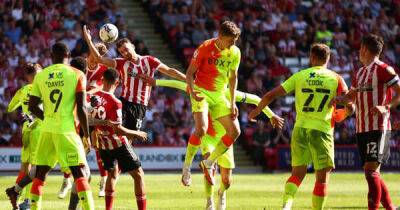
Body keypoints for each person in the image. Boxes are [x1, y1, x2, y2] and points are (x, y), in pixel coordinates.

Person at [248, 43, 353, 210]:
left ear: (311, 58)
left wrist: (257, 111)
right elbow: (350, 104)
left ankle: (287, 205)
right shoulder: (336, 78)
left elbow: (270, 95)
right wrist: (343, 113)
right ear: (328, 58)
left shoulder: (300, 75)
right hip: (322, 130)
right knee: (322, 178)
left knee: (297, 174)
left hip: (300, 129)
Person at [153, 79, 284, 210]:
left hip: (225, 140)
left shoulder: (226, 93)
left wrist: (271, 115)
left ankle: (222, 193)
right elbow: (177, 83)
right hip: (208, 138)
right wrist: (155, 82)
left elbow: (255, 99)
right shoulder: (198, 91)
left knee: (227, 182)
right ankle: (209, 202)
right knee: (209, 168)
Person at [332, 34, 399, 210]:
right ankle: (391, 208)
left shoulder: (385, 69)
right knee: (372, 172)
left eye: (360, 48)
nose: (358, 52)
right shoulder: (359, 73)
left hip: (379, 127)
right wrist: (335, 99)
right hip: (361, 128)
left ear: (364, 49)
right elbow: (350, 98)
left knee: (370, 171)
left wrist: (387, 107)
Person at [82, 25, 186, 136]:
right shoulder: (121, 63)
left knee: (130, 137)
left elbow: (170, 70)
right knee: (110, 127)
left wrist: (187, 79)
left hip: (139, 106)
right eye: (122, 52)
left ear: (132, 46)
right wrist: (89, 40)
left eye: (126, 49)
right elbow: (99, 59)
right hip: (124, 102)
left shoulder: (149, 60)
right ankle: (90, 137)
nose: (125, 53)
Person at [27, 42, 94, 210]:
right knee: (79, 173)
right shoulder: (78, 74)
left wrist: (48, 117)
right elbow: (82, 108)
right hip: (67, 131)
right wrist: (86, 135)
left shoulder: (41, 75)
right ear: (69, 54)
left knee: (40, 175)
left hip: (47, 130)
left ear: (51, 55)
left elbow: (32, 106)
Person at [185, 20, 242, 185]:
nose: (233, 44)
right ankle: (187, 167)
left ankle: (208, 163)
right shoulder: (205, 47)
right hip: (201, 91)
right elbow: (189, 74)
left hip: (219, 96)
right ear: (221, 36)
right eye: (230, 40)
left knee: (235, 131)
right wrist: (192, 90)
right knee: (201, 129)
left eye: (235, 41)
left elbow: (233, 78)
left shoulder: (235, 52)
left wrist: (232, 103)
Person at [91, 68, 148, 210]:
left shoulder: (92, 97)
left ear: (102, 79)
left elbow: (89, 120)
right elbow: (117, 129)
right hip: (117, 143)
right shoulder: (115, 102)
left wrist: (93, 138)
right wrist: (136, 133)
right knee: (139, 175)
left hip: (103, 144)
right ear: (117, 82)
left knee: (112, 173)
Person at [5, 63, 42, 210]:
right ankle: (28, 201)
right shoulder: (42, 89)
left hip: (26, 131)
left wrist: (24, 110)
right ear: (37, 74)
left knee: (24, 167)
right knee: (37, 169)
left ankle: (16, 197)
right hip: (39, 129)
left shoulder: (22, 90)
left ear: (27, 76)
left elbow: (10, 108)